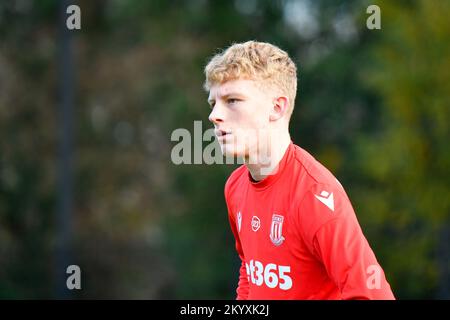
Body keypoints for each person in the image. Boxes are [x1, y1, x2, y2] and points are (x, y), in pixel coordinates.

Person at [203, 40, 395, 300]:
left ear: (277, 107)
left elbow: (373, 295)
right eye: (213, 102)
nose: (215, 115)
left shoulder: (315, 195)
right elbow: (250, 270)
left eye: (232, 100)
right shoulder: (235, 186)